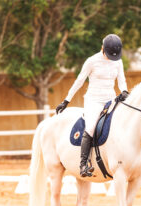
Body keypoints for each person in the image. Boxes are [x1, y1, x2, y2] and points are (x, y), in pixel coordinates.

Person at [55, 34, 129, 177]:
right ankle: (83, 164)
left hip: (111, 99)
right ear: (103, 48)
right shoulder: (91, 61)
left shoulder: (118, 62)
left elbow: (121, 80)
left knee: (126, 120)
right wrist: (66, 100)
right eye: (109, 55)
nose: (111, 58)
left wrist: (124, 91)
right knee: (90, 127)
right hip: (94, 100)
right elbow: (79, 81)